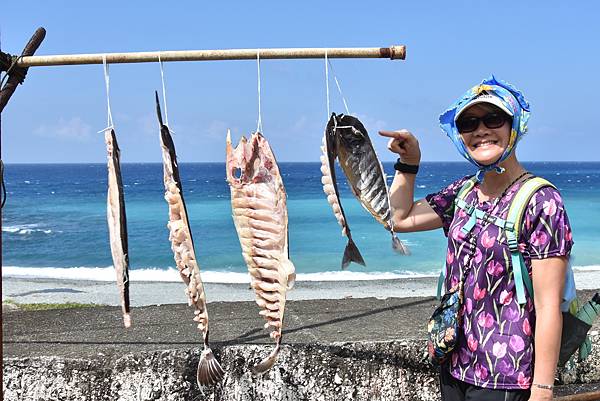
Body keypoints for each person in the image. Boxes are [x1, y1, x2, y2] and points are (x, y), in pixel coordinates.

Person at [379, 76, 573, 401]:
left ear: (514, 126)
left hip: (505, 375)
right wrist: (409, 163)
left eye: (493, 119)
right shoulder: (465, 191)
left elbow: (548, 304)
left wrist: (542, 390)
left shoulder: (541, 201)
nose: (480, 129)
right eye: (469, 123)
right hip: (455, 363)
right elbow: (400, 218)